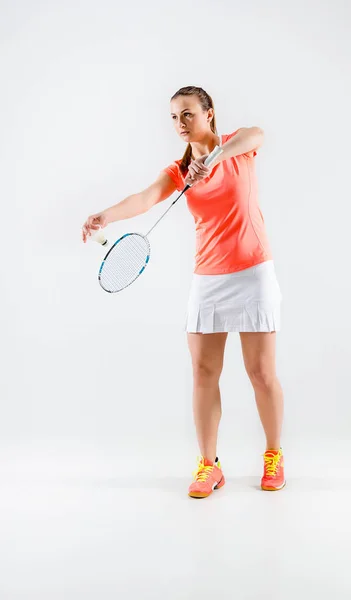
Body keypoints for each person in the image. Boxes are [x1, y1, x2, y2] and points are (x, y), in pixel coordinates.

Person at [82, 86, 286, 499]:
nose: (180, 124)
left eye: (188, 114)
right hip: (208, 278)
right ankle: (209, 465)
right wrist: (105, 215)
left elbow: (258, 133)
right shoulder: (178, 172)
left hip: (253, 273)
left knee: (260, 373)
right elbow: (143, 199)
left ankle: (274, 455)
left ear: (209, 114)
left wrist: (211, 160)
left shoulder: (236, 148)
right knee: (203, 373)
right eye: (174, 117)